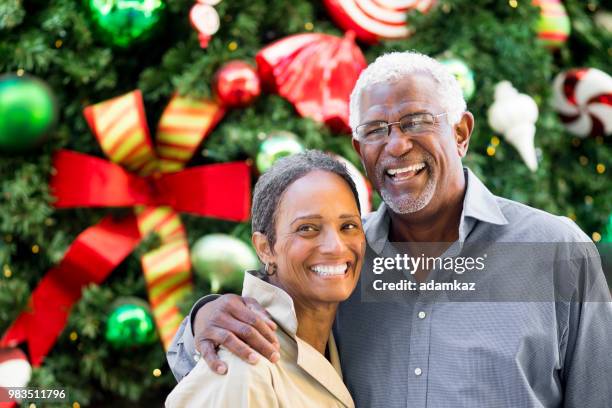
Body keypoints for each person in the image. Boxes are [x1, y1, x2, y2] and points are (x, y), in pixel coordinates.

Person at [167, 52, 612, 407]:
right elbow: (230, 356)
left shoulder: (555, 251)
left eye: (417, 121)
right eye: (376, 130)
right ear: (360, 150)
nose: (397, 145)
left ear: (461, 132)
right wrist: (205, 315)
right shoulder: (337, 261)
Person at [166, 150, 365, 407]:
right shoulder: (245, 367)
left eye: (348, 226)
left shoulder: (328, 346)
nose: (336, 247)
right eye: (307, 229)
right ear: (264, 248)